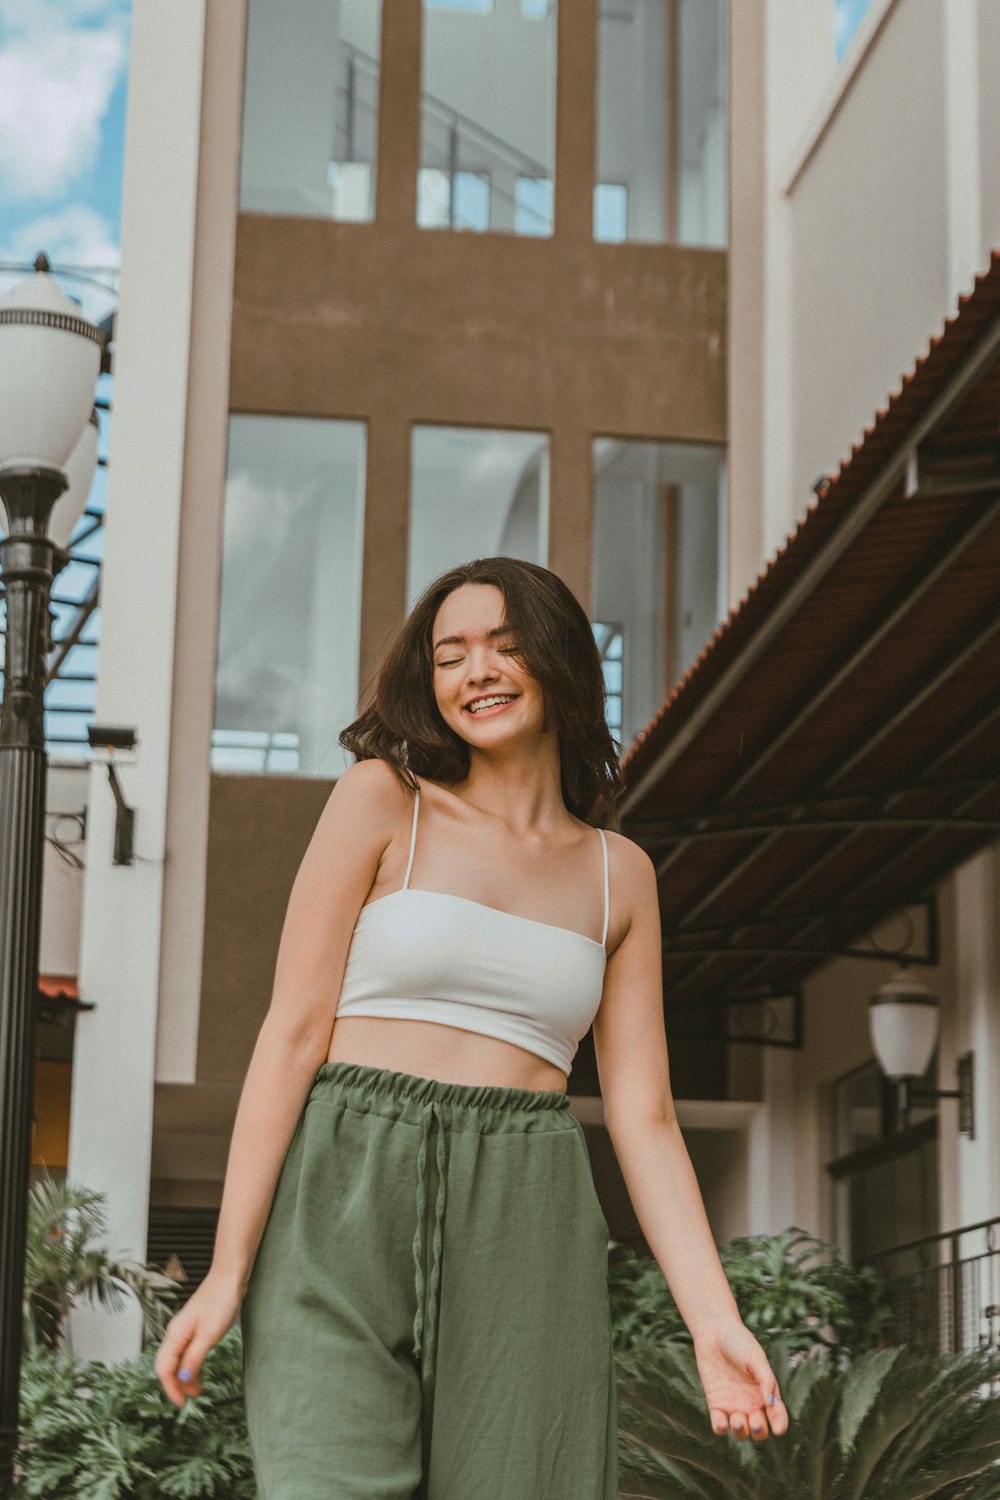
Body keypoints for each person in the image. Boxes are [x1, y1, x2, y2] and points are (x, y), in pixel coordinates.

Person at [154, 556, 789, 1497]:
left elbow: (645, 1117)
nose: (475, 672)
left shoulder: (621, 875)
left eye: (504, 645)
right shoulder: (383, 800)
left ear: (560, 663)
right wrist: (226, 1268)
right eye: (450, 655)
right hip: (343, 1183)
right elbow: (291, 1035)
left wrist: (713, 1320)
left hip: (525, 1199)